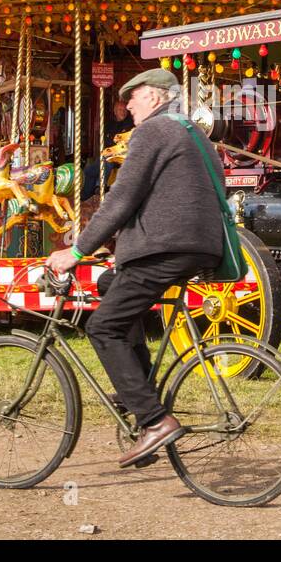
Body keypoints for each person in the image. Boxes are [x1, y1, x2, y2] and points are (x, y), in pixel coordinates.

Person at [45, 69, 226, 469]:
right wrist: (126, 251)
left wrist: (75, 252)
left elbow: (121, 200)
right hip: (196, 246)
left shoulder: (153, 132)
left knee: (101, 327)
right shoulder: (196, 134)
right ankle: (137, 392)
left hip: (167, 248)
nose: (127, 106)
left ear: (157, 98)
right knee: (112, 284)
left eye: (135, 97)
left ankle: (154, 419)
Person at [80, 96, 131, 200]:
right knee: (89, 170)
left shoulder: (130, 124)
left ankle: (99, 187)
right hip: (109, 153)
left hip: (122, 156)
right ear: (115, 111)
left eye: (125, 110)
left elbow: (124, 143)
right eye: (120, 110)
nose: (123, 112)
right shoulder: (109, 125)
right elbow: (106, 141)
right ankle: (85, 196)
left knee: (107, 161)